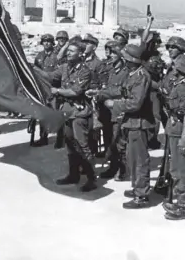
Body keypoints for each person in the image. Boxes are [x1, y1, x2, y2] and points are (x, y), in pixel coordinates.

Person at [39, 41, 96, 192]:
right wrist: (31, 69)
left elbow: (75, 91)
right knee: (70, 145)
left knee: (83, 146)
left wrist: (57, 91)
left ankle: (91, 178)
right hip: (67, 112)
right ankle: (73, 175)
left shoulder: (85, 71)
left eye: (72, 51)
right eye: (68, 51)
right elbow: (50, 76)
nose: (68, 53)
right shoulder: (64, 67)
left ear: (80, 54)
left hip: (79, 113)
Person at [105, 44, 155, 209]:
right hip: (131, 123)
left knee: (139, 160)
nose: (123, 60)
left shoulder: (141, 76)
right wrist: (101, 93)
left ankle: (141, 196)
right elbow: (122, 90)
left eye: (125, 58)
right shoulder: (132, 74)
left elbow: (135, 103)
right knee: (132, 160)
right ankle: (138, 188)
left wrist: (114, 104)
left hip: (138, 124)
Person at [162, 54, 185, 220]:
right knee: (175, 168)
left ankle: (183, 206)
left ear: (181, 68)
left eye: (175, 65)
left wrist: (184, 138)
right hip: (174, 130)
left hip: (180, 132)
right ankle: (179, 200)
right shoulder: (179, 84)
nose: (173, 68)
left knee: (182, 170)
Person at [86, 40, 129, 180]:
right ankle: (113, 167)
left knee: (119, 142)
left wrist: (101, 93)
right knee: (110, 139)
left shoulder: (126, 71)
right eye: (108, 52)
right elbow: (104, 86)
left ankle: (120, 170)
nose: (109, 55)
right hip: (106, 111)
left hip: (117, 111)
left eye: (113, 52)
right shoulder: (109, 69)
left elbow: (120, 90)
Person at [33, 33, 59, 147]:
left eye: (49, 41)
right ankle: (43, 137)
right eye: (44, 41)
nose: (46, 43)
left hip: (54, 88)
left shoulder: (57, 56)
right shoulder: (39, 56)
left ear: (52, 43)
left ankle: (60, 139)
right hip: (42, 89)